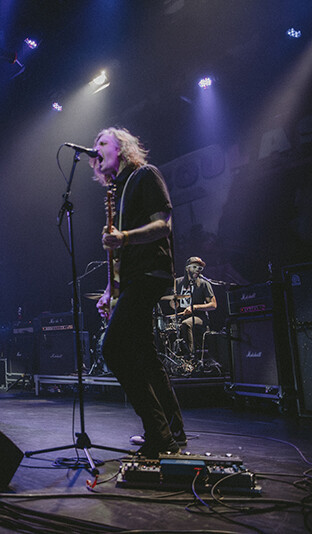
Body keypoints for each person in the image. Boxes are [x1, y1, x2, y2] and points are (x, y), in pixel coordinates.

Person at [90, 127, 186, 457]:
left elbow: (164, 225)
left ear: (123, 148)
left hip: (150, 273)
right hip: (132, 278)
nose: (96, 150)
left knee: (114, 348)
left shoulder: (145, 175)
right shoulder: (116, 192)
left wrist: (125, 236)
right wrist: (108, 291)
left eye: (102, 143)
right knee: (145, 356)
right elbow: (119, 257)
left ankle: (158, 434)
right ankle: (173, 429)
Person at [174, 256, 217, 356]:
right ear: (187, 268)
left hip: (199, 317)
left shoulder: (204, 284)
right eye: (194, 267)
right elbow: (173, 302)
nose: (197, 270)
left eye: (200, 268)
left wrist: (194, 307)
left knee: (186, 324)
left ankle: (190, 358)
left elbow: (213, 305)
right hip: (182, 316)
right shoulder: (178, 282)